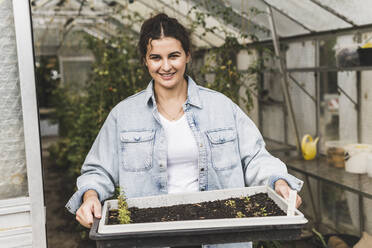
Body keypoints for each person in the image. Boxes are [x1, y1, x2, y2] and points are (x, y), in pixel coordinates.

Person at [66, 13, 303, 247]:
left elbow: (255, 157)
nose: (166, 66)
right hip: (150, 237)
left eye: (174, 56)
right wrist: (90, 196)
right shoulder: (124, 115)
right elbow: (98, 170)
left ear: (188, 56)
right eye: (156, 57)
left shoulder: (221, 107)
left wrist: (278, 181)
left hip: (219, 236)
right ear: (145, 60)